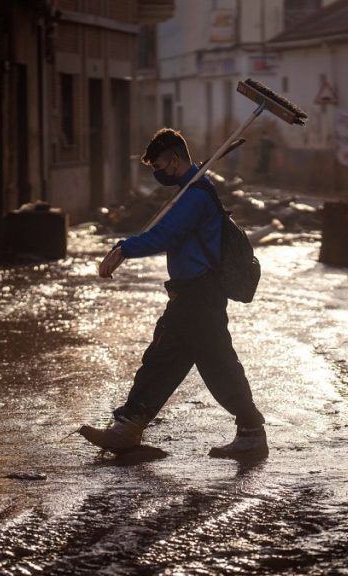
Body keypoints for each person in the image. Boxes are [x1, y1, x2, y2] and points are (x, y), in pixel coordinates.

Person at [78, 128, 268, 460]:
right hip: (191, 294)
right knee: (169, 361)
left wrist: (124, 249)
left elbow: (166, 235)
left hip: (199, 295)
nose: (159, 174)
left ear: (176, 159)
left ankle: (250, 433)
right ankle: (129, 427)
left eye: (161, 166)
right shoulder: (188, 190)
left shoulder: (195, 196)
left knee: (208, 364)